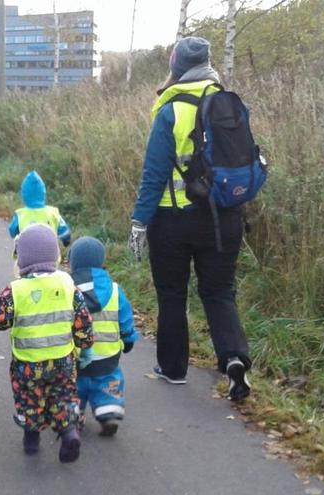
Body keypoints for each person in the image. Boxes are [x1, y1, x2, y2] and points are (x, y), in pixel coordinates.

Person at [127, 36, 252, 401]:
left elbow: (154, 174)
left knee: (172, 294)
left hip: (174, 220)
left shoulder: (171, 109)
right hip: (223, 217)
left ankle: (173, 368)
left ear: (177, 65)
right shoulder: (227, 102)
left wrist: (139, 223)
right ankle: (233, 358)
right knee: (219, 292)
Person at [0, 223, 93, 462]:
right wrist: (85, 345)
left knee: (29, 398)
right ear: (55, 255)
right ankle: (68, 432)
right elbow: (82, 320)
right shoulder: (67, 283)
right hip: (63, 360)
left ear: (22, 258)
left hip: (27, 364)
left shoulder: (17, 290)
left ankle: (32, 439)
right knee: (63, 395)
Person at [68, 237, 139, 436]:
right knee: (108, 382)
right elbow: (125, 318)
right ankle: (109, 411)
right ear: (102, 262)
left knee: (73, 386)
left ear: (73, 262)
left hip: (75, 357)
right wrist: (128, 338)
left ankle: (73, 415)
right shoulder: (115, 290)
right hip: (108, 357)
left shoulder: (66, 290)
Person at [8, 170, 72, 247]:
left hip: (27, 256)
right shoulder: (53, 213)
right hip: (50, 254)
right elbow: (64, 232)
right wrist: (66, 241)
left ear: (24, 195)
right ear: (43, 192)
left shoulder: (20, 215)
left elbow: (12, 231)